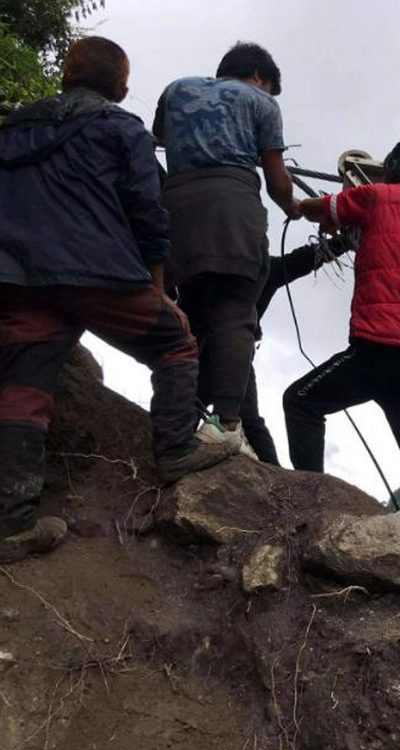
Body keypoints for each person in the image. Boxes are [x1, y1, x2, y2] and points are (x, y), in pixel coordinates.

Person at [0, 37, 237, 558]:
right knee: (175, 343)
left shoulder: (13, 127)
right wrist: (156, 290)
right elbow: (149, 216)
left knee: (23, 388)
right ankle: (175, 448)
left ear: (66, 75)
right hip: (95, 273)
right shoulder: (121, 129)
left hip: (19, 278)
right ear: (123, 88)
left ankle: (13, 523)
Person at [284, 138, 400, 525]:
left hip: (384, 346)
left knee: (301, 402)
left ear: (393, 169)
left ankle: (308, 515)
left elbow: (328, 210)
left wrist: (297, 206)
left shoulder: (377, 197)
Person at [153, 42, 300, 453]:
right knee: (237, 312)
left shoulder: (176, 89)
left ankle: (184, 416)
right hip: (232, 202)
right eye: (268, 87)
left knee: (194, 315)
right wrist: (296, 207)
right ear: (258, 78)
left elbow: (160, 137)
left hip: (176, 204)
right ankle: (227, 425)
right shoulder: (261, 103)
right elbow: (276, 183)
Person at [209, 237, 345, 465]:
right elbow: (300, 261)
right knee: (249, 421)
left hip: (213, 352)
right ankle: (276, 478)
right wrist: (343, 242)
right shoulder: (265, 269)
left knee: (244, 419)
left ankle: (275, 479)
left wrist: (340, 243)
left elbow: (303, 259)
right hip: (229, 355)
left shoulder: (221, 261)